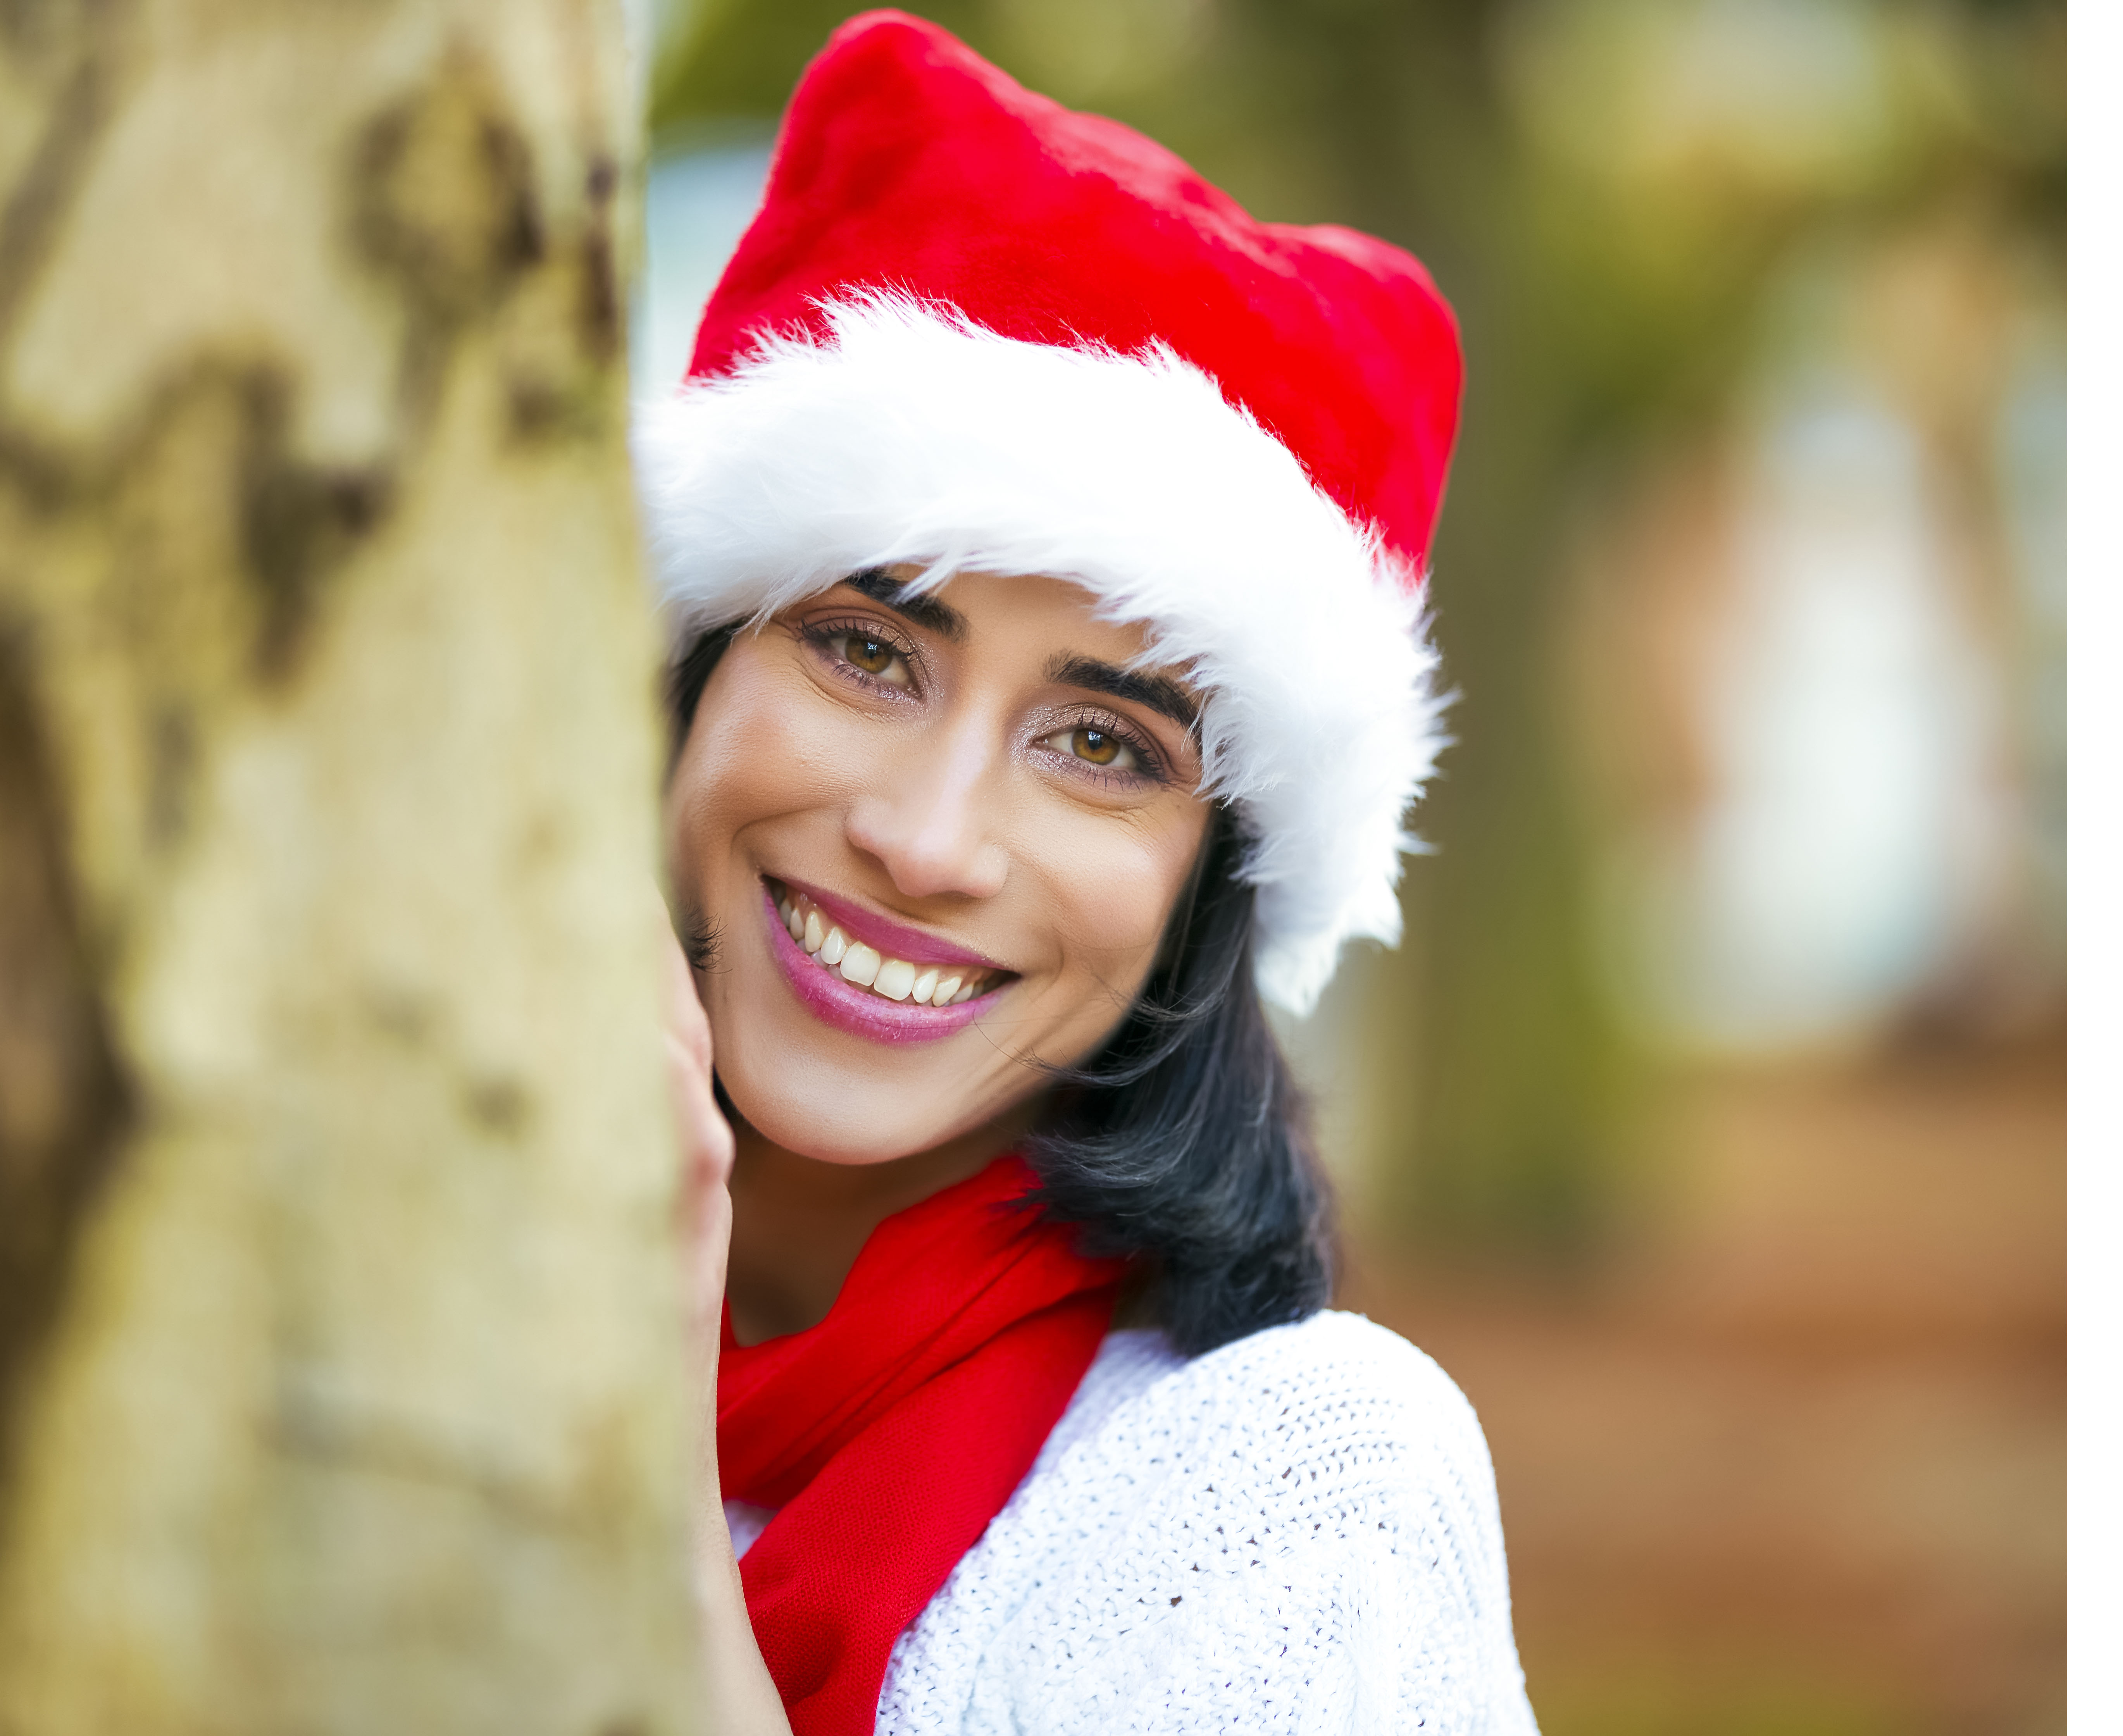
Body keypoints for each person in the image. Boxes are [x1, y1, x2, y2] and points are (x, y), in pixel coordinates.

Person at [641, 13, 1539, 1736]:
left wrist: (651, 1504)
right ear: (687, 679)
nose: (924, 837)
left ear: (1210, 884)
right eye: (859, 649)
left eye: (1103, 748)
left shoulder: (1291, 1493)